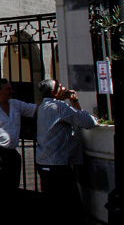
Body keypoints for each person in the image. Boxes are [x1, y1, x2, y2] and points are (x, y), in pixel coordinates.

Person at [36, 79, 97, 224]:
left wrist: (73, 101)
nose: (64, 88)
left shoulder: (43, 107)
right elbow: (88, 122)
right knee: (71, 210)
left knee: (53, 208)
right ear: (54, 92)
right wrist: (74, 101)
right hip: (58, 167)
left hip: (44, 163)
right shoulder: (59, 107)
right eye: (60, 87)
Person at [0, 78, 37, 189]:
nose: (11, 91)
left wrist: (52, 103)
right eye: (8, 89)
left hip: (12, 153)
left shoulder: (16, 105)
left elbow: (35, 109)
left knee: (12, 186)